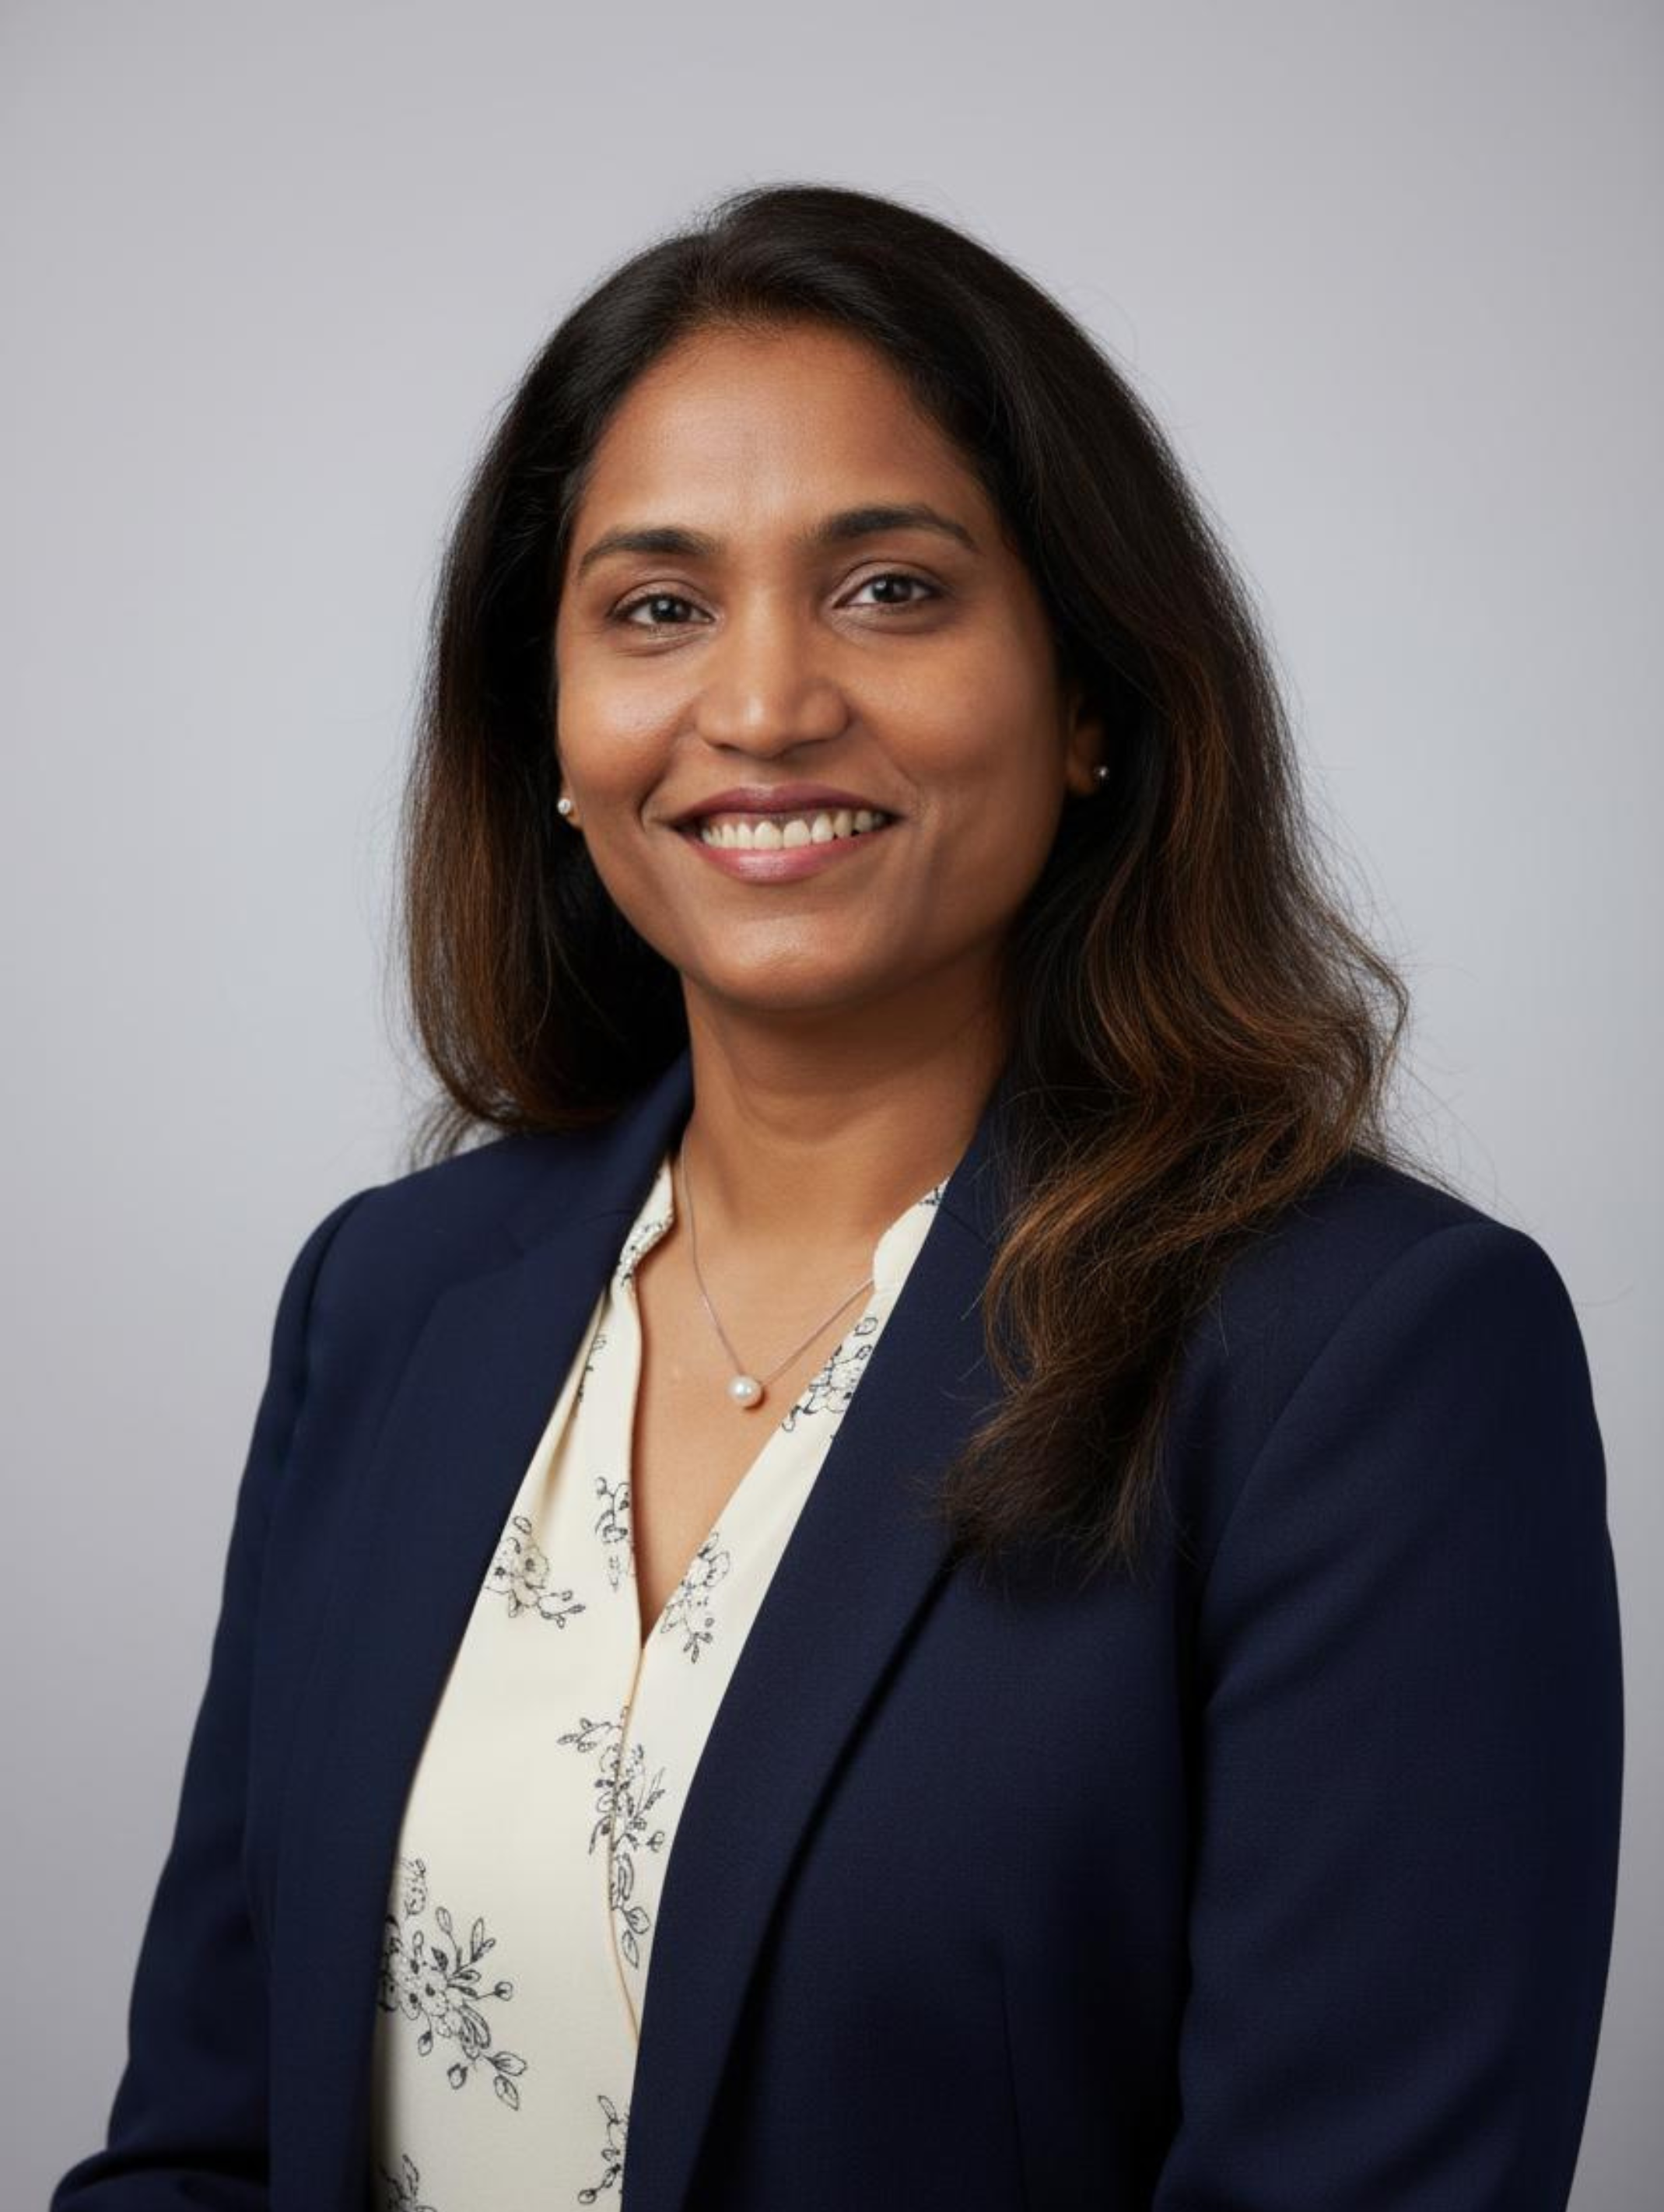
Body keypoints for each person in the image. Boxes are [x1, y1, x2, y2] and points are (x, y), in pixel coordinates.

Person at [52, 182, 1623, 2212]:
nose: (767, 703)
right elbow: (203, 2150)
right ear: (550, 723)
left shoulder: (1368, 1364)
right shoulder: (389, 1302)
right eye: (656, 606)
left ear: (1089, 702)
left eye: (889, 589)